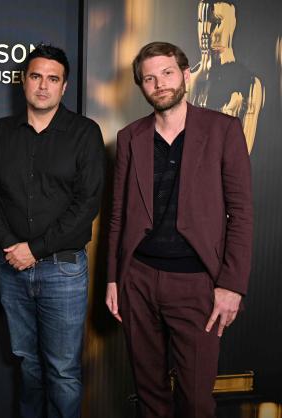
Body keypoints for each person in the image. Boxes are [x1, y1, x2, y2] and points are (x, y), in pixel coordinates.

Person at [106, 42, 253, 418]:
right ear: (141, 86)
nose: (160, 84)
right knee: (149, 392)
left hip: (196, 284)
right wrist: (113, 279)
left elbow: (241, 213)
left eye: (167, 73)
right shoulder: (130, 137)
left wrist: (232, 285)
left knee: (197, 399)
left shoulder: (223, 129)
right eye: (149, 78)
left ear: (186, 74)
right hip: (137, 279)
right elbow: (118, 215)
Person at [0, 44, 105, 418]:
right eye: (36, 77)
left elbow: (87, 206)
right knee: (29, 366)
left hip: (63, 270)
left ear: (64, 87)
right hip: (11, 270)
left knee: (62, 371)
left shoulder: (84, 133)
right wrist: (10, 246)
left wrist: (33, 249)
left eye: (53, 79)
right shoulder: (0, 134)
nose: (43, 86)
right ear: (24, 82)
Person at [188, 0, 263, 153]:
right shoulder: (185, 82)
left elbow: (241, 155)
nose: (206, 31)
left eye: (216, 21)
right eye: (202, 21)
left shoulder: (249, 85)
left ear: (232, 24)